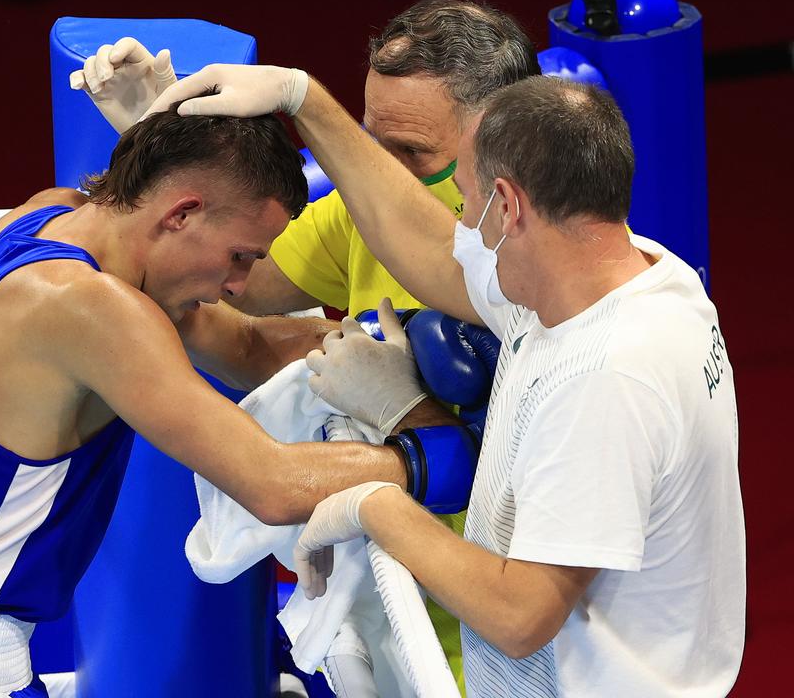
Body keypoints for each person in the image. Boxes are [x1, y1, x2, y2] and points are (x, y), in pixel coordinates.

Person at [147, 68, 745, 696]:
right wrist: (305, 99)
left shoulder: (606, 378)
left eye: (467, 203)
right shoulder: (632, 274)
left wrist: (372, 506)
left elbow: (522, 617)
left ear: (509, 205)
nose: (464, 232)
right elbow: (425, 243)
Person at [0, 106, 410, 698]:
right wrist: (431, 451)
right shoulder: (96, 311)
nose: (239, 285)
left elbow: (245, 344)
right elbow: (273, 483)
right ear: (182, 213)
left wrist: (392, 343)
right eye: (240, 255)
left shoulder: (44, 219)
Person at [75, 2, 539, 690]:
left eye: (412, 154)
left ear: (509, 149)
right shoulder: (363, 207)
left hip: (514, 615)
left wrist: (407, 416)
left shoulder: (542, 254)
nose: (380, 173)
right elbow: (238, 279)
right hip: (392, 590)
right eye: (370, 143)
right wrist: (167, 161)